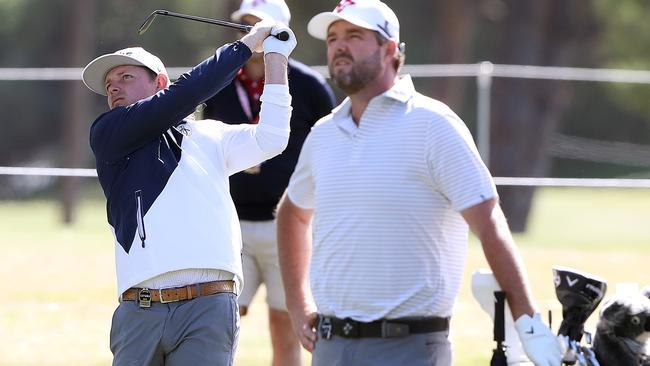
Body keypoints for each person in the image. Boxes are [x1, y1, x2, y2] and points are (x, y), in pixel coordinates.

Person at [275, 1, 562, 365]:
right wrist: (298, 306)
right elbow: (292, 214)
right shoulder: (324, 133)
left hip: (410, 347)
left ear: (390, 49)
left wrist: (527, 321)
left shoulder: (433, 124)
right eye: (332, 38)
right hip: (331, 348)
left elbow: (489, 223)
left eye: (354, 35)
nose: (338, 46)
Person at [82, 20, 296, 365]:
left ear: (160, 82)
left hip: (208, 306)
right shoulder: (109, 133)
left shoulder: (210, 135)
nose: (114, 88)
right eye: (108, 84)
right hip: (141, 308)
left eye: (126, 77)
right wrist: (245, 45)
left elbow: (271, 138)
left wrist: (274, 58)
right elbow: (187, 95)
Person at [202, 1, 335, 365]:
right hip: (231, 224)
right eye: (246, 25)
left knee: (285, 324)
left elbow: (331, 146)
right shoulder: (220, 83)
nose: (253, 33)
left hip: (287, 228)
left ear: (282, 31)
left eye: (260, 25)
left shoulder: (310, 86)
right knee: (220, 321)